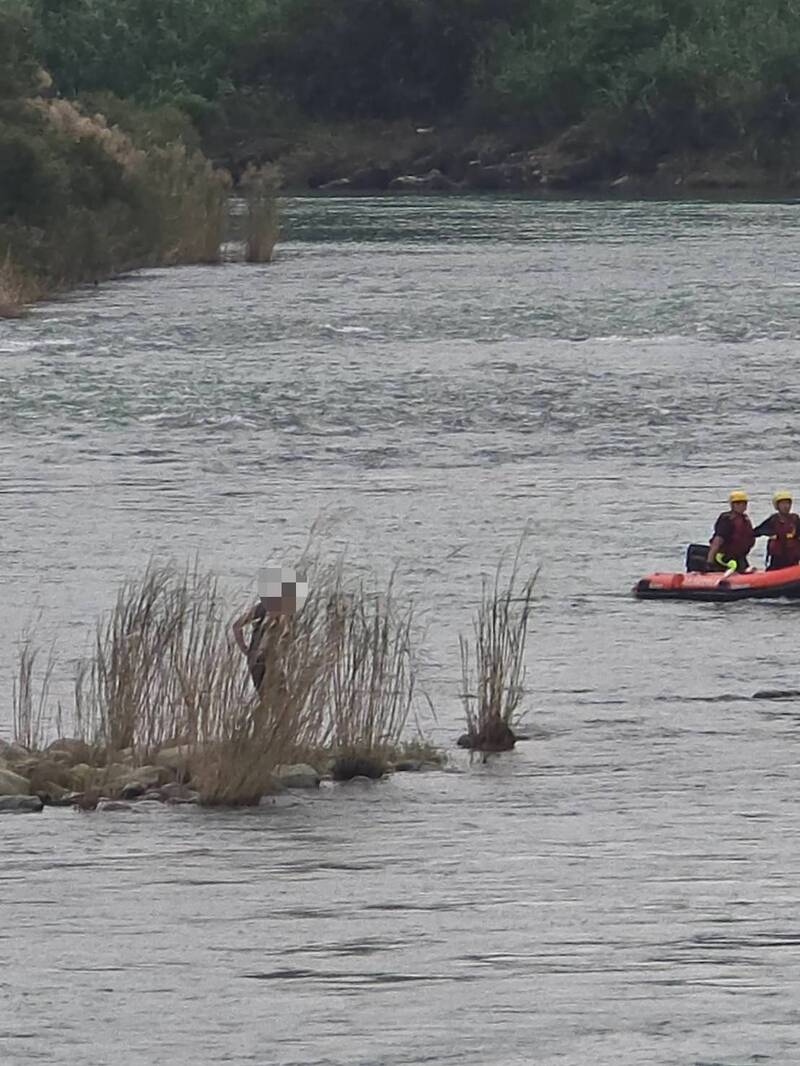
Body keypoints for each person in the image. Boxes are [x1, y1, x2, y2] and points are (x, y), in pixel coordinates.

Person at [232, 566, 307, 694]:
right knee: (278, 702)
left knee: (274, 702)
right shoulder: (273, 609)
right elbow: (237, 626)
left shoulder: (267, 608)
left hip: (262, 661)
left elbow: (237, 626)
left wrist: (247, 650)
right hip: (263, 662)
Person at [706, 490, 755, 572]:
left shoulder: (745, 519)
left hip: (739, 557)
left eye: (744, 503)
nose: (741, 506)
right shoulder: (727, 520)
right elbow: (717, 541)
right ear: (732, 505)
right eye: (738, 504)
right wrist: (710, 561)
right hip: (724, 558)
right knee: (735, 567)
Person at [752, 490, 800, 570]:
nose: (786, 506)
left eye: (788, 503)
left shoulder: (795, 519)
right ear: (777, 506)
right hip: (777, 559)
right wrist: (770, 533)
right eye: (783, 504)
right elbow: (756, 532)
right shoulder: (773, 520)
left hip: (792, 559)